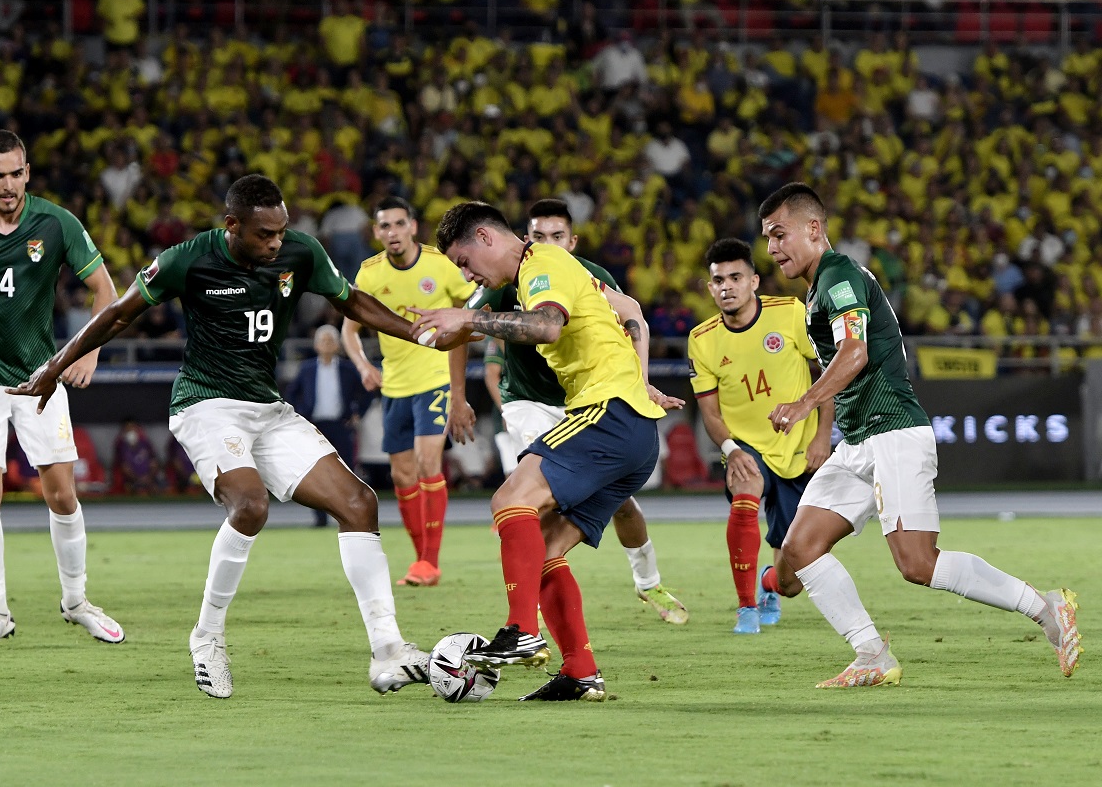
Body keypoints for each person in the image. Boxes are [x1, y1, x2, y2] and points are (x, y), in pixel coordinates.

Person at [10, 175, 434, 699]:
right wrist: (55, 365)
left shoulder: (300, 252)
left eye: (281, 232)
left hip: (266, 408)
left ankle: (388, 650)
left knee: (358, 502)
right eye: (265, 235)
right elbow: (118, 315)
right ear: (232, 225)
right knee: (251, 505)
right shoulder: (185, 260)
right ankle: (207, 636)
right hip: (205, 405)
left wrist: (413, 331)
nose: (277, 243)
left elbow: (351, 301)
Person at [759, 182, 1081, 687]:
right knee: (796, 555)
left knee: (917, 563)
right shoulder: (819, 288)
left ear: (813, 228)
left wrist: (804, 404)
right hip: (861, 440)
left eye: (780, 235)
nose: (773, 249)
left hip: (893, 433)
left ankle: (1045, 608)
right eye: (767, 239)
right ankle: (871, 654)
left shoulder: (839, 274)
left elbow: (855, 353)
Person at [411, 201, 681, 702]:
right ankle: (581, 673)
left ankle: (521, 629)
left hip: (608, 414)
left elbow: (547, 326)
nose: (467, 274)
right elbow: (630, 313)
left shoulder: (543, 263)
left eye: (466, 262)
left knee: (509, 500)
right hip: (629, 427)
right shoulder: (557, 270)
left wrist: (468, 317)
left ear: (487, 238)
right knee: (547, 548)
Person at [0, 129, 125, 649]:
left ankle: (77, 601)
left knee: (62, 492)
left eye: (16, 173)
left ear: (27, 172)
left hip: (41, 377)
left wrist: (87, 350)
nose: (8, 184)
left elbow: (106, 290)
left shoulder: (55, 222)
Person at [453, 198, 688, 625]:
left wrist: (641, 382)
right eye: (538, 236)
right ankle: (530, 626)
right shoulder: (505, 275)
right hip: (530, 404)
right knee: (529, 507)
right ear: (523, 237)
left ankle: (646, 581)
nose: (545, 244)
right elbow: (460, 327)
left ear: (572, 241)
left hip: (590, 405)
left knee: (621, 506)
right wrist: (458, 395)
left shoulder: (580, 274)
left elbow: (632, 313)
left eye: (556, 236)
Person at [689, 238, 833, 635]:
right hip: (745, 446)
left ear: (753, 281)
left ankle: (770, 582)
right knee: (746, 489)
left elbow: (827, 375)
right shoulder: (702, 340)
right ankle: (746, 605)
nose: (726, 287)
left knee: (792, 583)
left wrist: (823, 435)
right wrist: (732, 450)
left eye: (735, 277)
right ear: (710, 287)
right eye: (718, 280)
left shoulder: (789, 313)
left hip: (798, 446)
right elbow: (711, 413)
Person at [341, 197, 476, 587]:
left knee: (426, 461)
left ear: (413, 227)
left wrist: (458, 388)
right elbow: (350, 329)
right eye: (385, 226)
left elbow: (470, 313)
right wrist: (365, 365)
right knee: (402, 476)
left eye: (399, 224)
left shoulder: (440, 266)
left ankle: (430, 562)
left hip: (435, 377)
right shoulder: (369, 274)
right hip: (395, 385)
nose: (393, 233)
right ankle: (421, 560)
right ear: (376, 232)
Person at [285, 324, 370, 527]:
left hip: (340, 425)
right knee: (316, 473)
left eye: (331, 340)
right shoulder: (306, 369)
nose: (327, 344)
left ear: (338, 345)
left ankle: (350, 516)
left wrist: (358, 413)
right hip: (314, 427)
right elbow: (290, 393)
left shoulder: (348, 369)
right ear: (316, 345)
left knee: (346, 472)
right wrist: (299, 415)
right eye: (323, 340)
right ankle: (320, 519)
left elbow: (367, 391)